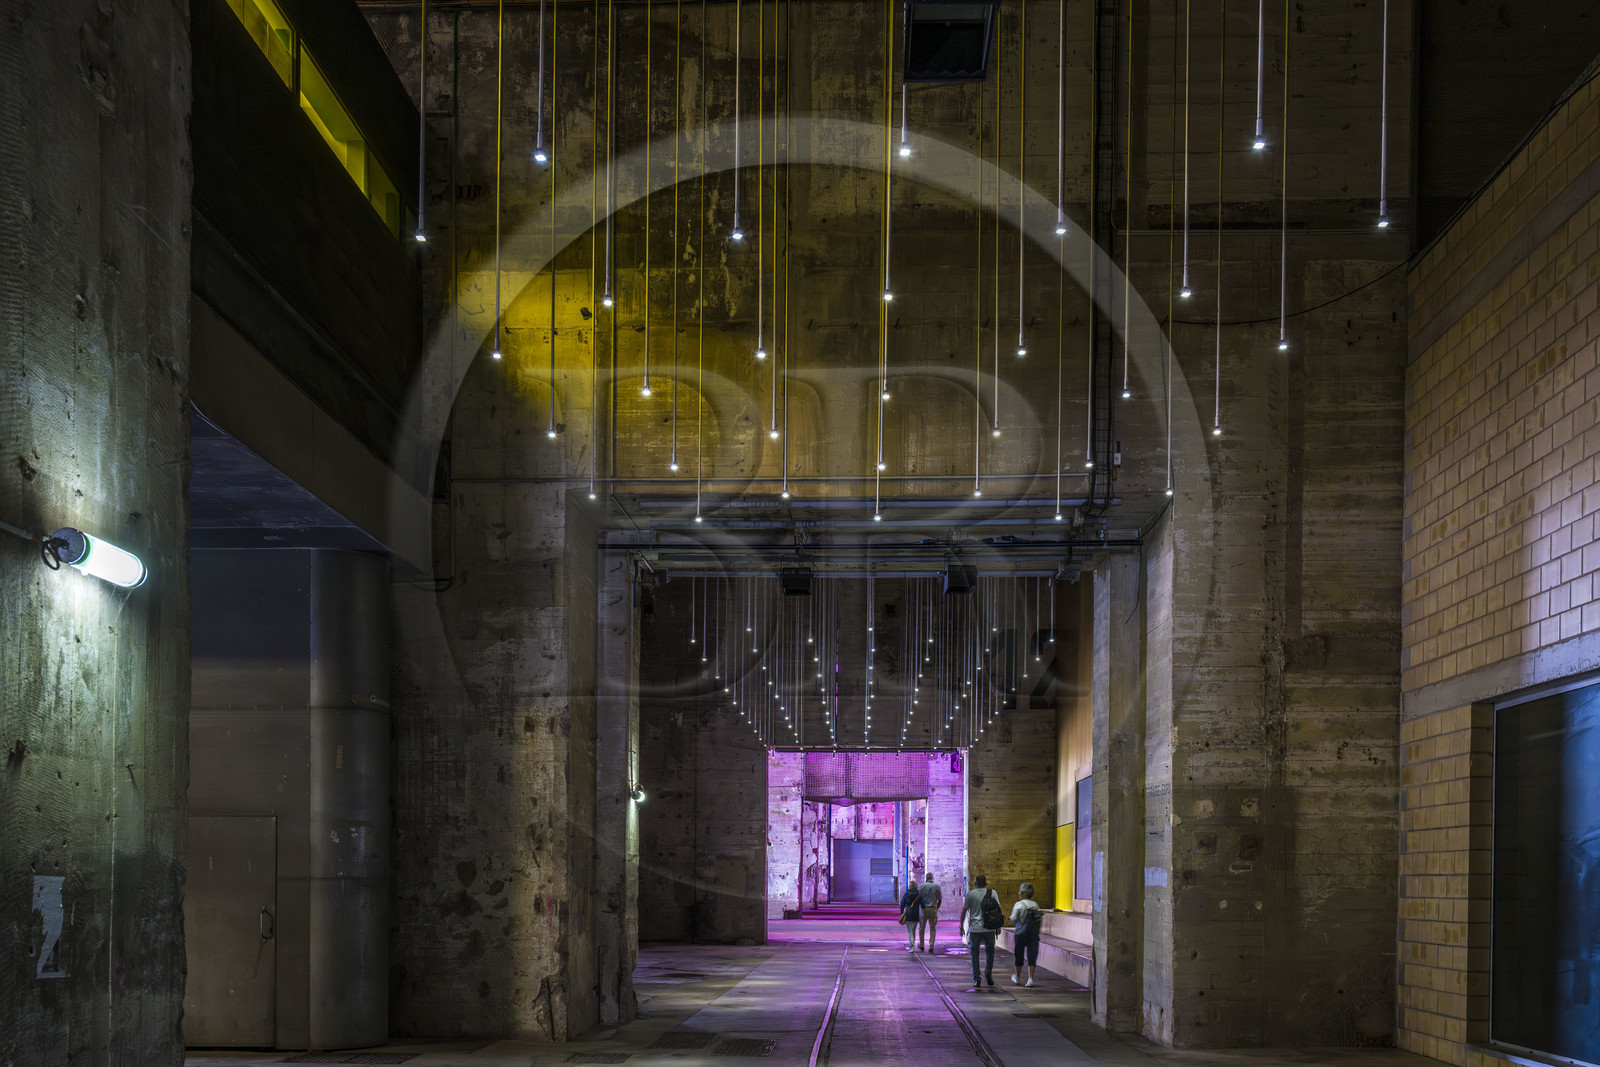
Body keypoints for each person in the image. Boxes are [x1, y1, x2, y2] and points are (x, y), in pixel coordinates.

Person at [958, 873, 1002, 990]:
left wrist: (961, 926)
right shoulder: (992, 893)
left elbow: (964, 911)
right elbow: (998, 909)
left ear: (975, 883)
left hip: (975, 929)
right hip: (989, 927)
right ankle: (988, 971)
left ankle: (977, 978)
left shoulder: (970, 895)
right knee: (990, 951)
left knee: (975, 954)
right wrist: (998, 925)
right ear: (986, 883)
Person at [1009, 882, 1043, 987]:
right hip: (1033, 934)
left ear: (1023, 893)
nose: (1018, 893)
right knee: (1032, 956)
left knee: (1019, 955)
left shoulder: (1018, 905)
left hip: (1020, 933)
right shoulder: (1035, 904)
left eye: (1020, 891)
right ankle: (1031, 979)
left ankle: (1018, 977)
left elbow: (1013, 919)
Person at [916, 872, 942, 952]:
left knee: (921, 928)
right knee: (932, 928)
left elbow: (918, 899)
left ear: (926, 878)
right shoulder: (936, 887)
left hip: (923, 909)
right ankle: (931, 945)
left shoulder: (921, 886)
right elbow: (939, 899)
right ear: (932, 878)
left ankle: (922, 944)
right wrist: (936, 908)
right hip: (933, 908)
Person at [897, 879, 923, 951]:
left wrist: (902, 913)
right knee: (913, 930)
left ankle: (912, 946)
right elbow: (922, 904)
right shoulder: (918, 894)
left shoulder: (906, 894)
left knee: (910, 931)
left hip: (908, 914)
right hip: (916, 914)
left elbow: (902, 904)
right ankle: (912, 943)